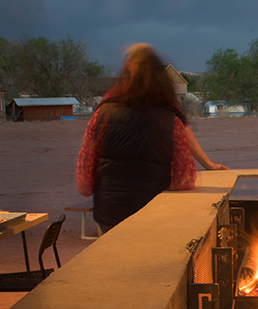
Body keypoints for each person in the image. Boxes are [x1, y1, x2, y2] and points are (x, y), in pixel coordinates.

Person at [76, 43, 227, 233]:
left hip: (110, 214)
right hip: (155, 215)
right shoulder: (170, 118)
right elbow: (184, 179)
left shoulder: (102, 113)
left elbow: (84, 180)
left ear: (127, 68)